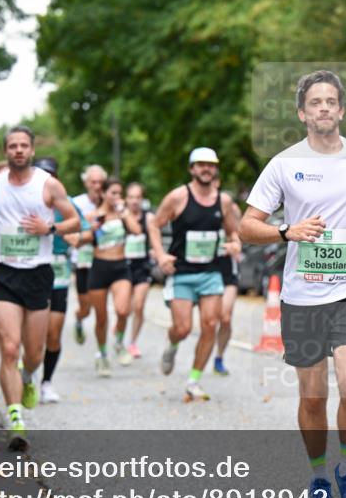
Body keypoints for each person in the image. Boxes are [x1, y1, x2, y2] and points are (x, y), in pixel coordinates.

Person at [239, 70, 346, 498]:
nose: (324, 108)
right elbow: (247, 226)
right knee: (311, 397)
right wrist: (287, 231)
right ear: (302, 112)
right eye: (316, 102)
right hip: (303, 295)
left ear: (341, 110)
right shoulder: (284, 163)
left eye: (332, 102)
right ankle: (318, 478)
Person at [0, 125, 79, 450]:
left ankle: (29, 377)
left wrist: (50, 227)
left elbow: (75, 221)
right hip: (4, 273)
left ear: (32, 150)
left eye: (23, 146)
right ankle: (15, 418)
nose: (18, 150)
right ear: (6, 151)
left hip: (37, 274)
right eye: (13, 146)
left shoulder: (49, 185)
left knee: (33, 353)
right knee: (10, 347)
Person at [148, 147, 241, 401]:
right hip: (182, 273)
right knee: (183, 327)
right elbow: (154, 225)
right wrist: (160, 254)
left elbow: (234, 231)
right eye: (200, 165)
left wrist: (235, 244)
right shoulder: (178, 197)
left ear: (215, 169)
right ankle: (173, 344)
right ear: (192, 169)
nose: (206, 169)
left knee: (211, 324)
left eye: (210, 165)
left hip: (211, 272)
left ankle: (193, 380)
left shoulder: (223, 201)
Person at [67, 177, 140, 374]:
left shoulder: (123, 214)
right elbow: (83, 239)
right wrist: (86, 233)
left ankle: (118, 342)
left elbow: (136, 230)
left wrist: (124, 212)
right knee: (101, 318)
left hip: (120, 267)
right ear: (104, 194)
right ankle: (102, 354)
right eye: (113, 193)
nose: (117, 197)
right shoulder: (93, 216)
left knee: (123, 310)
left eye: (119, 193)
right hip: (99, 268)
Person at [33, 157, 84, 403]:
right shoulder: (26, 201)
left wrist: (73, 236)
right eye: (41, 174)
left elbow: (80, 228)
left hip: (59, 271)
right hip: (31, 269)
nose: (46, 179)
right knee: (33, 335)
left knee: (53, 333)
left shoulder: (67, 202)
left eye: (50, 174)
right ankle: (27, 375)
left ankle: (46, 382)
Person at [71, 165, 108, 345]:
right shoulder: (76, 203)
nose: (97, 186)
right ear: (86, 183)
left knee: (102, 309)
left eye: (100, 182)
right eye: (93, 182)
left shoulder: (109, 203)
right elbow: (71, 233)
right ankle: (79, 318)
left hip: (105, 261)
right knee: (86, 308)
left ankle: (104, 347)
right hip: (83, 261)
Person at [212, 181, 243, 376]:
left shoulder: (232, 209)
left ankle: (219, 357)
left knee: (225, 317)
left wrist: (235, 245)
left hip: (228, 270)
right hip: (205, 268)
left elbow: (240, 234)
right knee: (208, 319)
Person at [124, 182, 156, 358]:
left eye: (138, 197)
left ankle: (133, 343)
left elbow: (154, 238)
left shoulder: (148, 218)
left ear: (142, 199)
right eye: (131, 197)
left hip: (142, 266)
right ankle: (120, 329)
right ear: (126, 199)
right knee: (125, 308)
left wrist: (155, 251)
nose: (134, 201)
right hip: (123, 266)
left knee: (138, 305)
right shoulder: (120, 217)